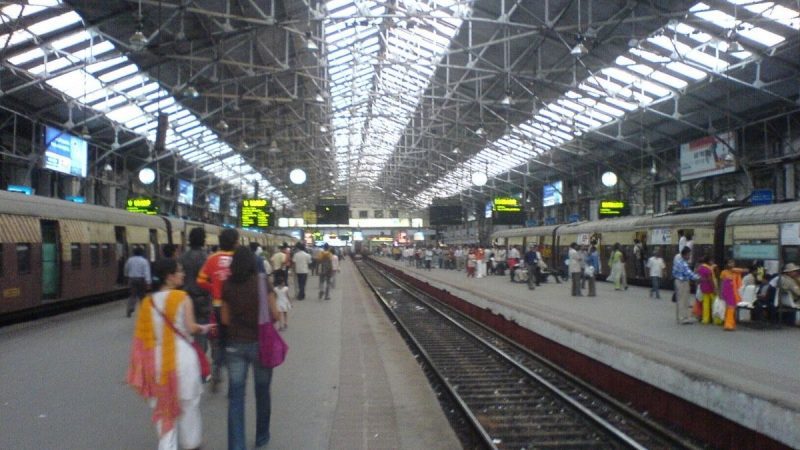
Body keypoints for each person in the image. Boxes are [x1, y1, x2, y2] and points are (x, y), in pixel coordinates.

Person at [127, 258, 215, 450]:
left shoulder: (148, 303)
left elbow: (144, 337)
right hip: (183, 359)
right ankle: (191, 443)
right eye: (180, 271)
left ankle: (167, 446)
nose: (183, 274)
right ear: (169, 276)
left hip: (157, 361)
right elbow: (191, 328)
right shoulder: (182, 298)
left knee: (164, 408)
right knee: (189, 405)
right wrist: (204, 328)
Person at [221, 247, 279, 450]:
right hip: (261, 345)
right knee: (262, 392)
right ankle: (262, 436)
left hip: (235, 346)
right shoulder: (262, 282)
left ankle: (236, 446)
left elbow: (225, 319)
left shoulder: (227, 285)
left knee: (236, 397)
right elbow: (276, 314)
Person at [197, 228, 239, 392]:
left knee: (221, 340)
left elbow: (200, 280)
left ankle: (216, 370)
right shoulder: (239, 258)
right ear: (235, 242)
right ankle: (234, 380)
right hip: (236, 305)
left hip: (218, 304)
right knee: (236, 341)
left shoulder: (212, 258)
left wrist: (214, 287)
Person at [180, 228, 211, 351]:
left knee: (186, 328)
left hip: (184, 298)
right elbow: (208, 280)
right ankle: (200, 358)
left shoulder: (182, 257)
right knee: (201, 330)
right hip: (202, 300)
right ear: (203, 240)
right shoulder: (205, 258)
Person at [673, 247, 700, 324]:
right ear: (685, 254)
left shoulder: (679, 261)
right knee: (682, 300)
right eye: (689, 255)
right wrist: (698, 278)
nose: (689, 256)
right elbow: (688, 273)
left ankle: (684, 317)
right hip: (682, 282)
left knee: (684, 300)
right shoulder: (682, 263)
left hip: (680, 281)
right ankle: (682, 318)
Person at [719, 259, 747, 331]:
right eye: (729, 263)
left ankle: (729, 324)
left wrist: (734, 269)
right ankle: (728, 324)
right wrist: (720, 293)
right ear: (727, 264)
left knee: (731, 308)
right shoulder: (724, 272)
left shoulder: (736, 272)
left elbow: (745, 270)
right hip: (726, 292)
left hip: (733, 292)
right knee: (728, 308)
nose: (731, 264)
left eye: (732, 263)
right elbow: (721, 283)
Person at [124, 246, 151, 317]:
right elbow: (146, 272)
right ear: (142, 253)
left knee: (132, 295)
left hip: (132, 279)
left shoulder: (129, 260)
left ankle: (130, 308)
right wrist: (148, 282)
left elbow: (126, 269)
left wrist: (126, 276)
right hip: (141, 279)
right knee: (142, 296)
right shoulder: (144, 261)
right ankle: (144, 310)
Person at [695, 255, 718, 324]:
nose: (712, 262)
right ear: (709, 261)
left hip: (703, 288)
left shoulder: (700, 268)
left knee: (705, 304)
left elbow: (698, 277)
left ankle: (705, 319)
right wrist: (714, 288)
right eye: (712, 261)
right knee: (714, 304)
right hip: (710, 288)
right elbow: (710, 279)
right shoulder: (708, 269)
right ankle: (715, 319)